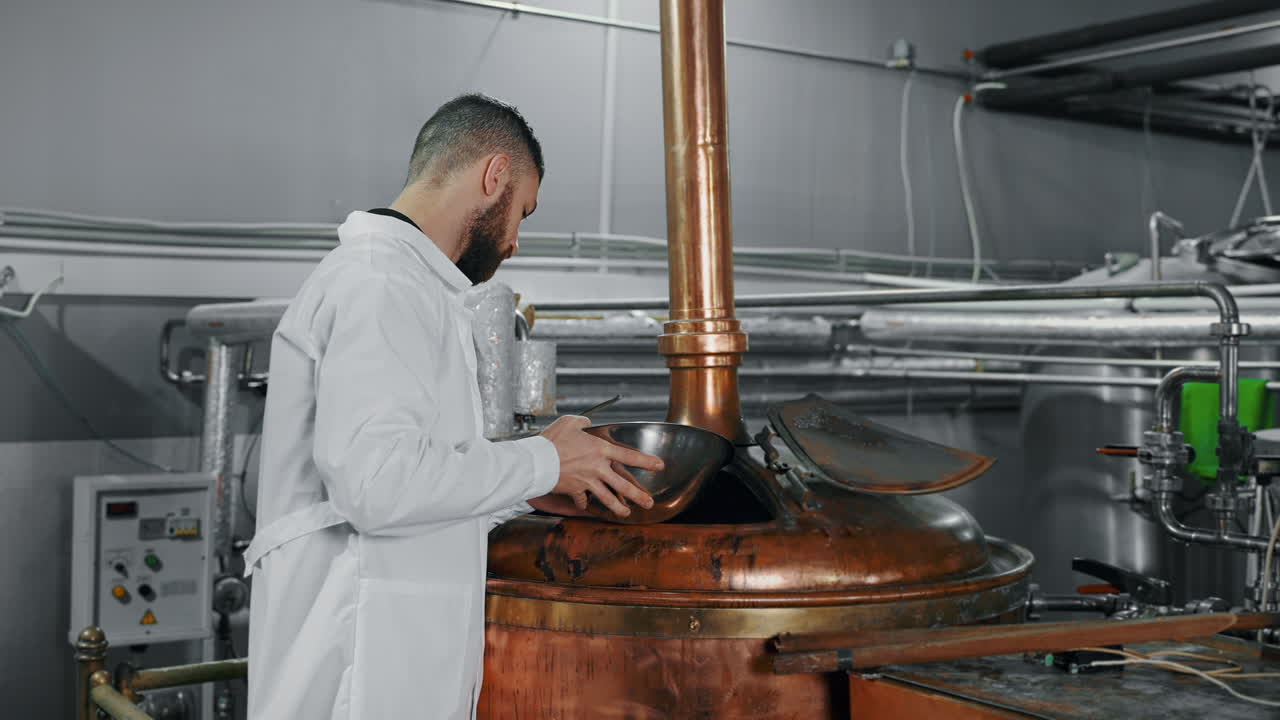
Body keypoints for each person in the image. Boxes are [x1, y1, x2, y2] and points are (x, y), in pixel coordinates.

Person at [244, 93, 663, 720]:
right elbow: (378, 485)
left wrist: (535, 488)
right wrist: (542, 462)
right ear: (494, 176)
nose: (516, 242)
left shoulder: (412, 290)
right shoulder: (380, 285)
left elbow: (421, 478)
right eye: (523, 210)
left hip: (389, 662)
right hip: (356, 673)